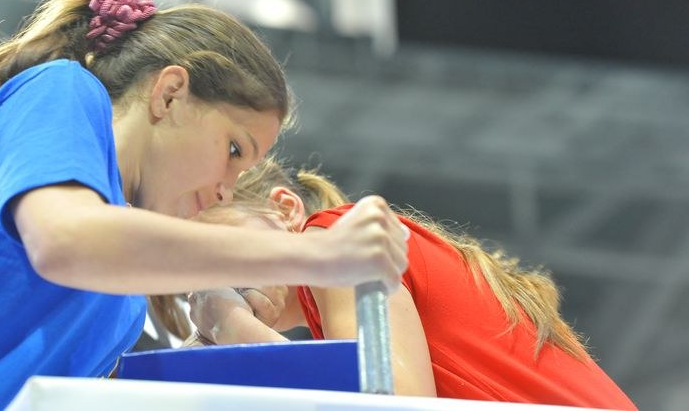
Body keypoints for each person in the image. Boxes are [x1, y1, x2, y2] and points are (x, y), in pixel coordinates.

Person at [0, 0, 409, 410]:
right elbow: (66, 240)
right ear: (170, 94)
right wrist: (312, 256)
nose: (228, 191)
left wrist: (226, 321)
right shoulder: (62, 90)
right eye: (233, 150)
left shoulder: (122, 303)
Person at [188, 157, 637, 410]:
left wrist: (234, 328)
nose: (217, 277)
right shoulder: (330, 300)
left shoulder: (338, 237)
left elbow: (394, 406)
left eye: (215, 242)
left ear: (285, 210)